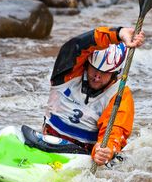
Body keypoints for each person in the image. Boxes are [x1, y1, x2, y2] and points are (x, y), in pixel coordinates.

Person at [42, 26, 145, 166]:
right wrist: (118, 33)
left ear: (115, 74)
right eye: (94, 69)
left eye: (104, 73)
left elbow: (116, 129)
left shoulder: (119, 95)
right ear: (86, 64)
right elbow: (77, 45)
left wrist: (106, 149)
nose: (97, 76)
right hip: (47, 142)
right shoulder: (66, 75)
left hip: (83, 156)